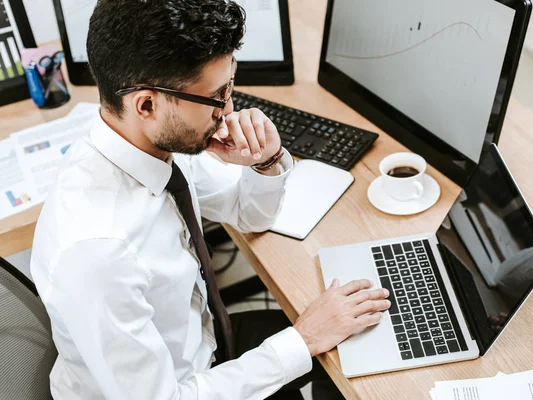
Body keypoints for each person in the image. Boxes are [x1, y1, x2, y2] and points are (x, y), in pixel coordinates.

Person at [30, 0, 391, 399]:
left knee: (359, 344)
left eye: (231, 86)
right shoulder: (98, 255)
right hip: (179, 389)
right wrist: (303, 340)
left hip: (206, 348)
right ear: (147, 104)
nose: (229, 109)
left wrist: (264, 162)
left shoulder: (148, 141)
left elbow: (248, 215)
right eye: (217, 96)